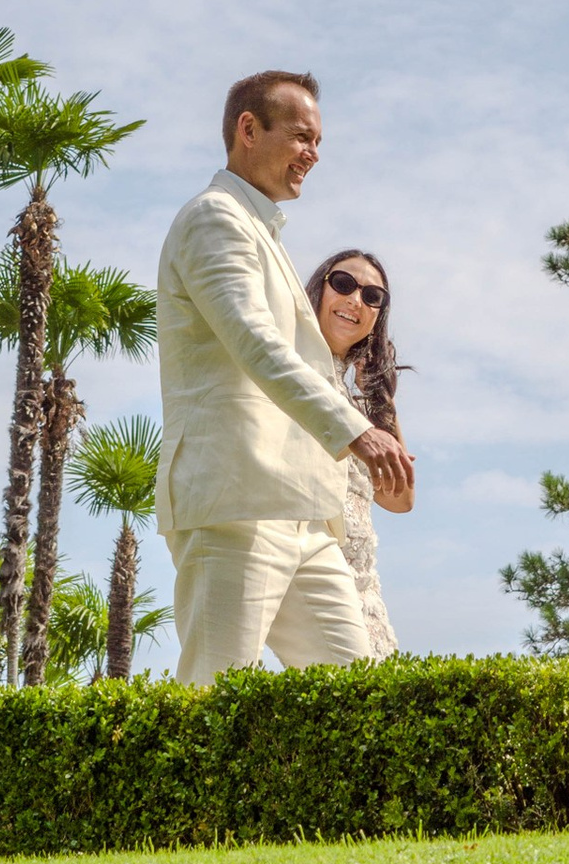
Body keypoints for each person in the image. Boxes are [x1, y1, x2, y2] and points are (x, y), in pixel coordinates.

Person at [155, 69, 416, 687]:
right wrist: (357, 430)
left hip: (308, 519)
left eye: (318, 142)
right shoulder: (213, 219)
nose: (313, 155)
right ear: (249, 129)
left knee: (362, 702)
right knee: (211, 703)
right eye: (302, 137)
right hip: (236, 506)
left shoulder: (262, 230)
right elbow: (255, 341)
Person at [304, 245, 409, 657]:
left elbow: (400, 499)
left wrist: (381, 400)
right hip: (310, 568)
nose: (354, 300)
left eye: (372, 296)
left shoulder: (355, 402)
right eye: (344, 284)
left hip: (363, 585)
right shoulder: (288, 372)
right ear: (317, 291)